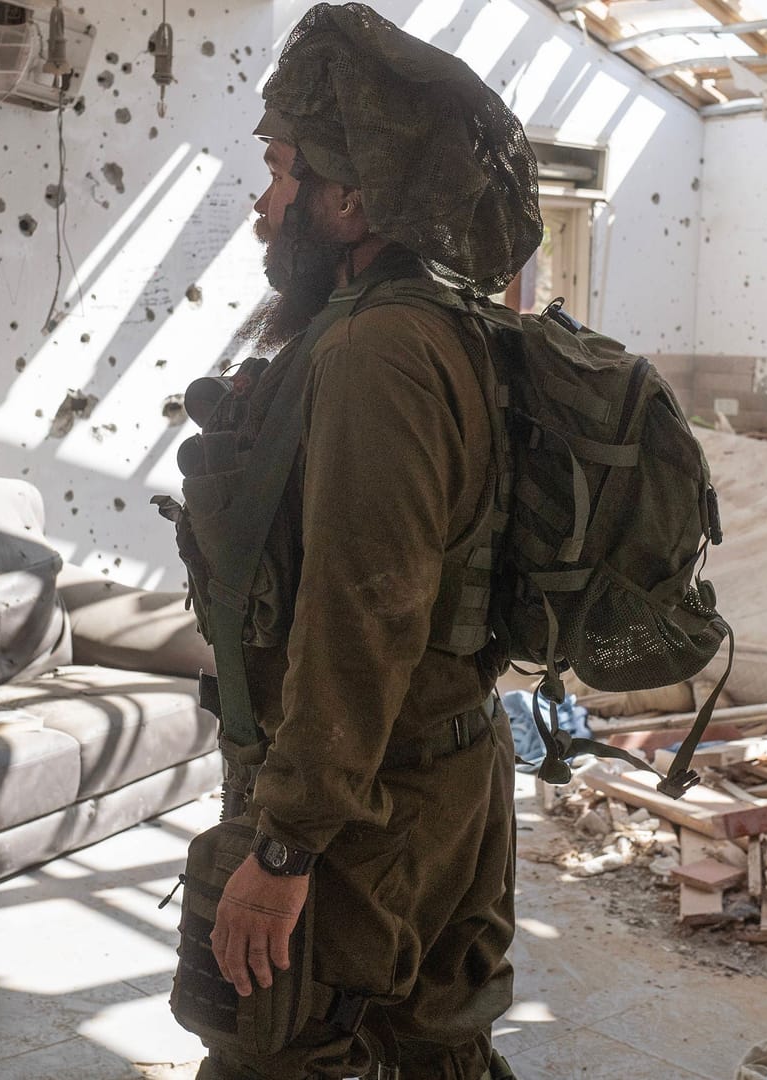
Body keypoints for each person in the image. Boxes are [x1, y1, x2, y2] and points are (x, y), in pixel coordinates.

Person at [180, 5, 543, 1078]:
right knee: (433, 1050)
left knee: (274, 1051)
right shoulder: (439, 324)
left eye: (281, 172)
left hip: (367, 811)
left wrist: (285, 846)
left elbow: (363, 611)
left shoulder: (378, 350)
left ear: (348, 198)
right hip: (435, 778)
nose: (261, 204)